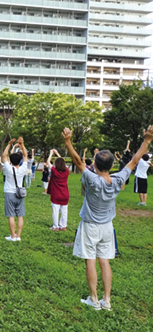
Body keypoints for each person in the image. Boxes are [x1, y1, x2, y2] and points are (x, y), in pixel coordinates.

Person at [64, 126, 153, 311]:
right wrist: (147, 140)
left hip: (90, 226)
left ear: (95, 165)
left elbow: (78, 161)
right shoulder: (118, 179)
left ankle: (94, 299)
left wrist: (67, 141)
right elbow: (135, 160)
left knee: (90, 260)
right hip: (107, 227)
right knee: (104, 260)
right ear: (111, 164)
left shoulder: (92, 180)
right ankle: (107, 300)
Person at [2, 137, 28, 242]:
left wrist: (9, 144)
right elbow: (26, 155)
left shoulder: (8, 168)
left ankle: (12, 236)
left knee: (11, 216)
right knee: (20, 216)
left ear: (11, 161)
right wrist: (22, 144)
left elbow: (4, 156)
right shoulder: (23, 169)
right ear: (20, 161)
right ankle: (18, 236)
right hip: (19, 194)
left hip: (9, 193)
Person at [47, 149, 69, 231]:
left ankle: (55, 226)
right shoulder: (66, 171)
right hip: (65, 194)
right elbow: (63, 162)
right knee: (64, 212)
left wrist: (51, 154)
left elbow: (48, 162)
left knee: (55, 211)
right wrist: (57, 153)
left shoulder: (54, 171)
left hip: (56, 194)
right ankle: (63, 226)